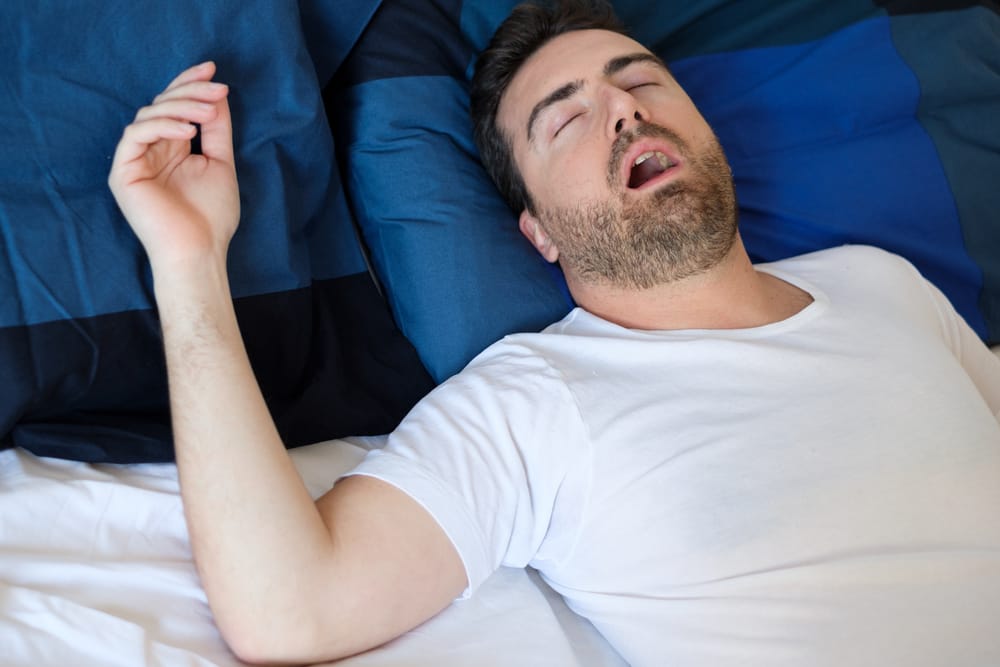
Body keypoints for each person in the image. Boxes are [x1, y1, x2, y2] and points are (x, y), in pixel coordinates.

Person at [108, 0, 1000, 665]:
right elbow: (288, 607)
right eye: (567, 118)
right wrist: (189, 265)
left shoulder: (883, 281)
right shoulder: (535, 405)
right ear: (536, 229)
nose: (626, 111)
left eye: (643, 81)